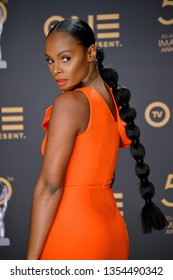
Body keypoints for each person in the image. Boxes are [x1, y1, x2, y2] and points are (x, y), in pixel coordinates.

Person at [26, 18, 167, 260]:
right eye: (50, 60)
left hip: (74, 234)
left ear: (91, 52)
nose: (56, 69)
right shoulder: (112, 99)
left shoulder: (70, 103)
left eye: (65, 58)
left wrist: (27, 266)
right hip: (112, 232)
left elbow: (50, 187)